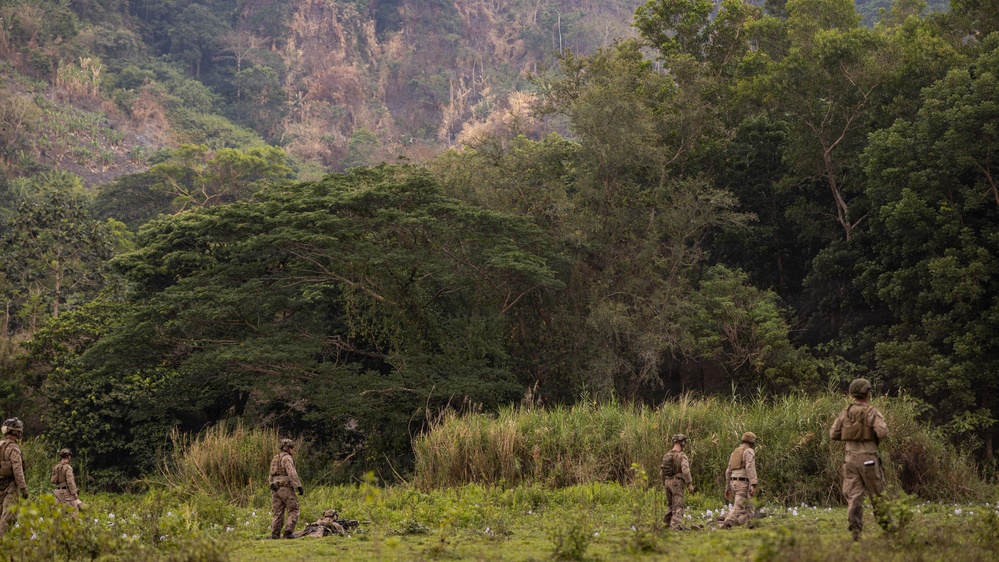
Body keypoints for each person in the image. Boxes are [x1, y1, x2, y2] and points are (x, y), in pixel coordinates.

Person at [830, 378, 889, 541]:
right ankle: (887, 528)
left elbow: (833, 434)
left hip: (849, 459)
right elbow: (883, 432)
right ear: (867, 393)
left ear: (852, 394)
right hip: (869, 458)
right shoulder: (872, 412)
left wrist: (852, 434)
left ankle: (855, 529)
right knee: (877, 494)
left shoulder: (845, 413)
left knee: (854, 495)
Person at [722, 432, 759, 529]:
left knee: (748, 505)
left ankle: (751, 525)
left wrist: (727, 487)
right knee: (738, 506)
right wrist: (753, 484)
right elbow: (750, 467)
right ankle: (726, 524)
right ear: (751, 442)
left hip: (733, 482)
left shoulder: (735, 452)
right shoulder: (749, 451)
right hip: (742, 482)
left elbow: (728, 471)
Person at [269, 438, 303, 539]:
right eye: (292, 448)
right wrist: (298, 486)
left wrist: (272, 487)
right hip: (286, 488)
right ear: (287, 448)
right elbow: (292, 473)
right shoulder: (287, 458)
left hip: (275, 488)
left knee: (277, 513)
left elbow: (270, 475)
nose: (293, 450)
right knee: (294, 510)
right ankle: (288, 532)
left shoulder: (276, 458)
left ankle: (275, 534)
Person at [0, 418, 28, 538]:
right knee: (9, 516)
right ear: (17, 433)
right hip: (10, 486)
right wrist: (23, 489)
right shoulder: (13, 448)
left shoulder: (0, 444)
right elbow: (18, 470)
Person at [659, 433, 694, 531]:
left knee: (670, 505)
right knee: (678, 506)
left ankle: (665, 526)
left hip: (667, 482)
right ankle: (674, 527)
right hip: (677, 483)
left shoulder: (667, 455)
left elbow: (661, 472)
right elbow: (686, 470)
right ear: (681, 442)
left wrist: (664, 483)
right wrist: (689, 484)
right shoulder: (681, 455)